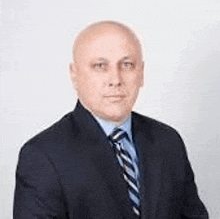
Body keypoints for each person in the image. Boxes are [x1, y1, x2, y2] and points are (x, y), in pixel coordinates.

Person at [13, 20, 208, 219]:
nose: (115, 80)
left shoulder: (167, 141)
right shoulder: (43, 155)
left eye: (126, 65)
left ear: (141, 73)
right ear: (74, 74)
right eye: (100, 66)